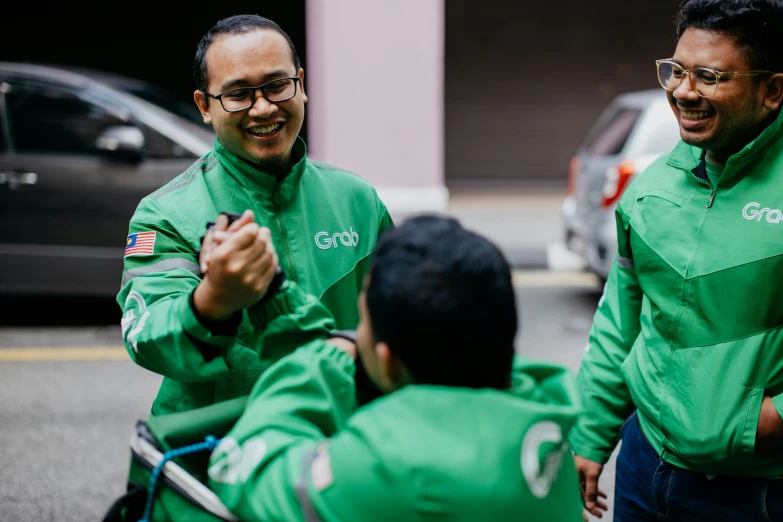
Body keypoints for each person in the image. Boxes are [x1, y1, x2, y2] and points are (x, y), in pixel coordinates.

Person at [205, 215, 584, 522]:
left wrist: (327, 358)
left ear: (388, 364)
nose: (355, 331)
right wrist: (276, 295)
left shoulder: (387, 468)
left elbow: (241, 467)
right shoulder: (546, 418)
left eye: (363, 320)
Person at [569, 1, 783, 520]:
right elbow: (621, 319)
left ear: (772, 90)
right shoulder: (652, 187)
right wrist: (593, 433)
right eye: (677, 70)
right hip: (644, 464)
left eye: (709, 76)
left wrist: (766, 420)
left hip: (755, 488)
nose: (684, 91)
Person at [117, 14, 392, 417]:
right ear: (204, 106)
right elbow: (147, 335)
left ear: (301, 84)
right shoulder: (165, 213)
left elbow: (400, 320)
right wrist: (212, 301)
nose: (263, 108)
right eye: (238, 94)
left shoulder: (358, 198)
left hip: (346, 442)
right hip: (219, 449)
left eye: (277, 85)